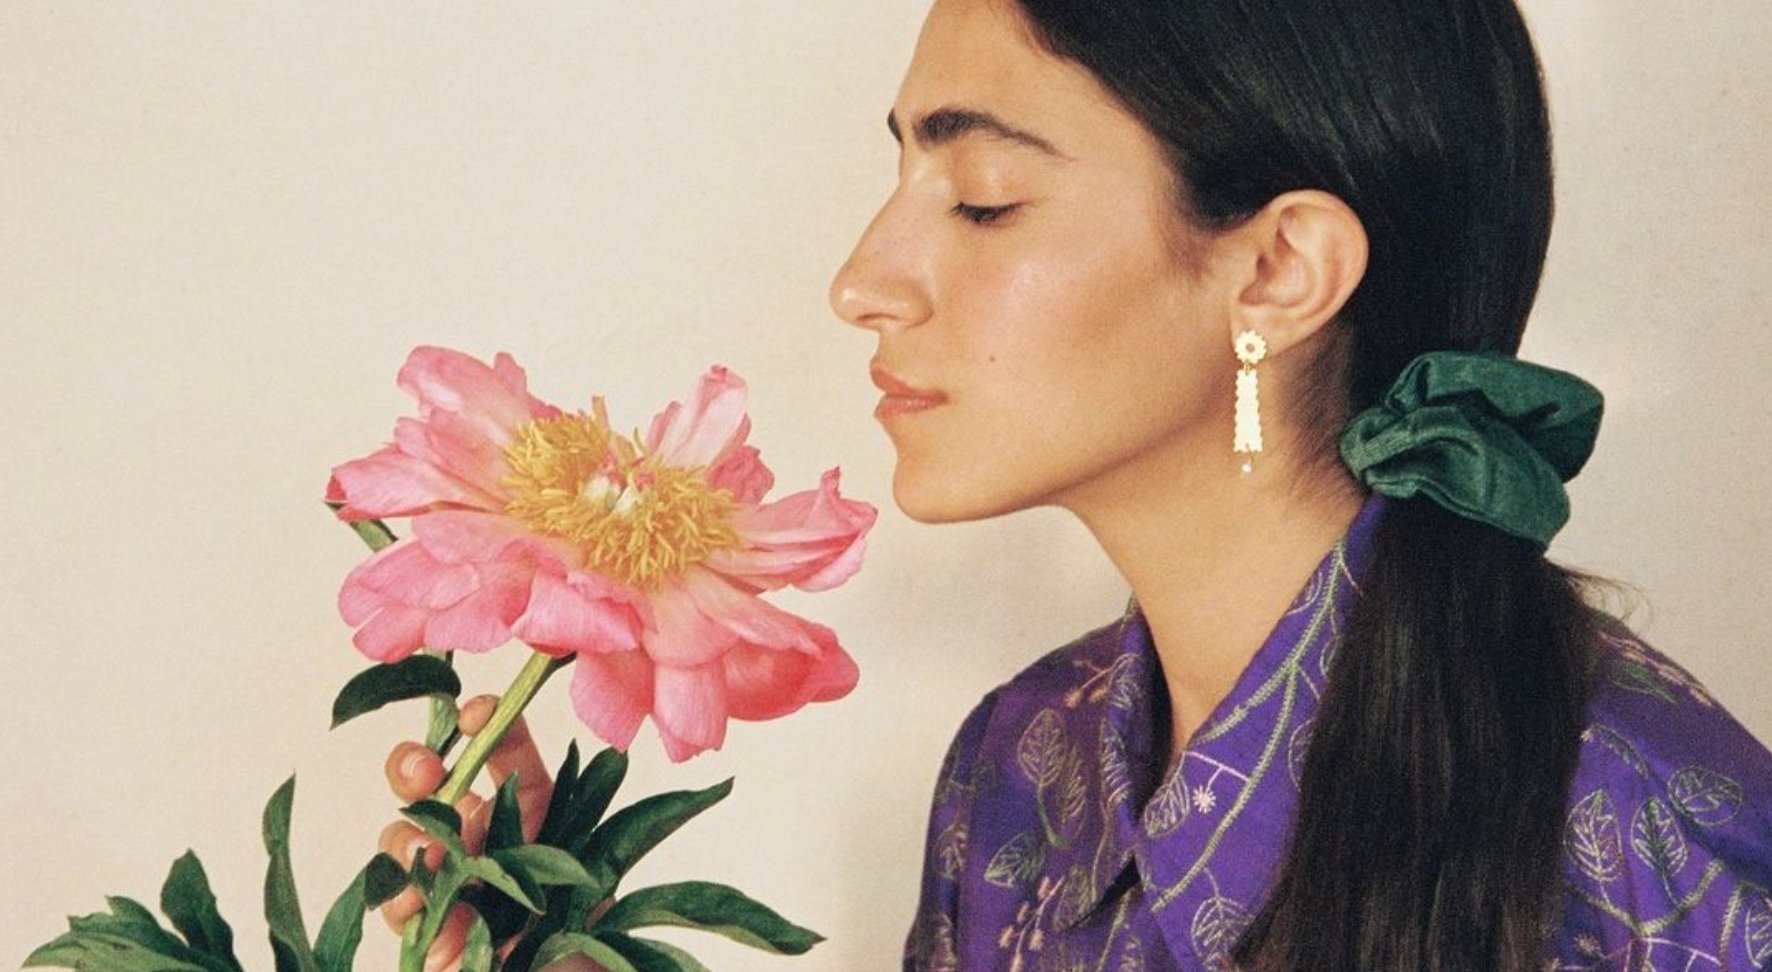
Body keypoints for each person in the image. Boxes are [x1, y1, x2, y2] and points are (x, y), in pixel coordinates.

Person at [383, 0, 1772, 969]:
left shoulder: (1655, 836)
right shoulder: (1022, 766)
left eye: (983, 196)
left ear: (1278, 269)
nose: (862, 282)